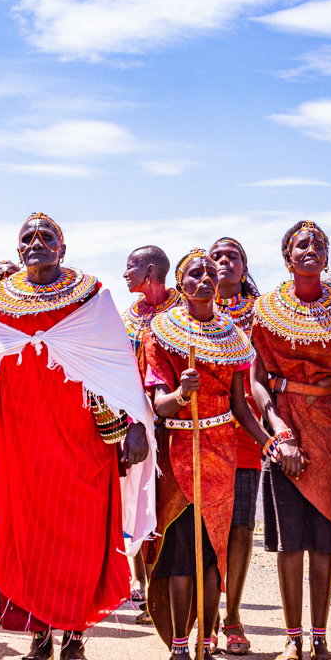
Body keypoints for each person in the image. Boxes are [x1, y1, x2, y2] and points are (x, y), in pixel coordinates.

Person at [0, 212, 156, 660]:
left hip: (81, 433)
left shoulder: (92, 295)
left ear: (62, 249)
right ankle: (40, 637)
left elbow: (118, 367)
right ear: (19, 248)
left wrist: (138, 425)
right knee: (26, 534)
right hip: (20, 435)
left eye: (47, 237)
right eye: (28, 237)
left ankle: (76, 641)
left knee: (81, 535)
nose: (37, 242)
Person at [143, 249, 269, 660]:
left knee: (215, 553)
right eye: (195, 274)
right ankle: (178, 647)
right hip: (178, 451)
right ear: (181, 284)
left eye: (210, 274)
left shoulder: (233, 335)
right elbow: (158, 404)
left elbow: (240, 405)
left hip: (221, 452)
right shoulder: (159, 332)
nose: (205, 279)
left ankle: (204, 646)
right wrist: (181, 394)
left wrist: (268, 441)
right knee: (180, 550)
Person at [250, 220, 331, 660]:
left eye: (318, 244)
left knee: (324, 539)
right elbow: (255, 379)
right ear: (287, 257)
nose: (310, 249)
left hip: (330, 427)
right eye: (300, 244)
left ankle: (320, 639)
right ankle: (292, 641)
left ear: (327, 258)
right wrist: (278, 431)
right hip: (285, 422)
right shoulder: (266, 310)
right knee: (291, 541)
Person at [121, 244, 181, 624]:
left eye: (130, 267)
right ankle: (144, 591)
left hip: (175, 425)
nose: (124, 274)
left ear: (150, 272)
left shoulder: (180, 312)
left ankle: (170, 596)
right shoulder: (127, 319)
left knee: (169, 511)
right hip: (136, 424)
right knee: (143, 508)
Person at [208, 236, 261, 655]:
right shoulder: (186, 312)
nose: (225, 262)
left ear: (245, 268)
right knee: (207, 527)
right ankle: (205, 617)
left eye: (233, 257)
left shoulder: (263, 316)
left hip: (245, 434)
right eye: (217, 257)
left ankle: (233, 615)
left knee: (241, 526)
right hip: (202, 434)